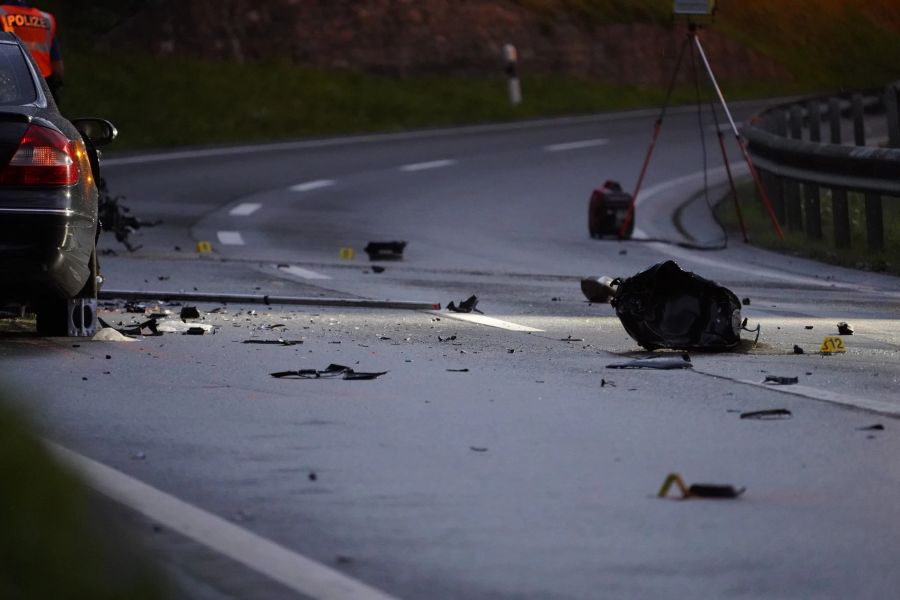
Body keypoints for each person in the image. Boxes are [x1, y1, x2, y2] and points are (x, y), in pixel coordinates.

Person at [0, 0, 63, 101]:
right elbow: (58, 67)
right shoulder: (45, 19)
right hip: (43, 85)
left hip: (12, 85)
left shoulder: (2, 13)